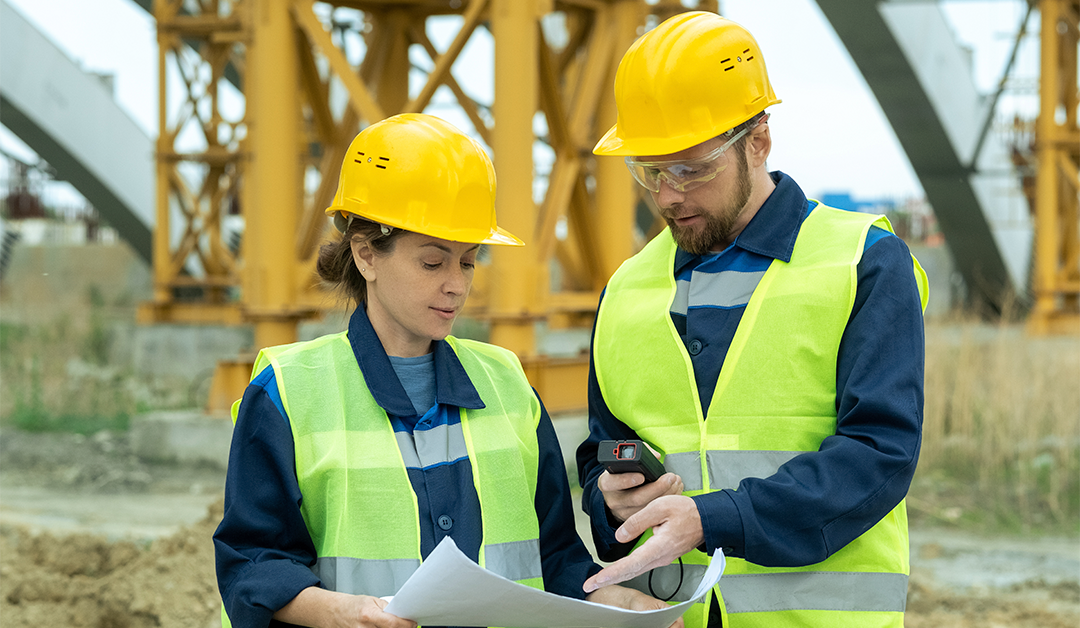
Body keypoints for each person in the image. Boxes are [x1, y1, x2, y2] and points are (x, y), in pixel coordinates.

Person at [213, 113, 681, 628]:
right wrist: (338, 612)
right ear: (366, 255)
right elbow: (252, 563)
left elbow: (553, 559)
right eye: (433, 263)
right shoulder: (287, 392)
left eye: (468, 261)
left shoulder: (508, 385)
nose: (457, 284)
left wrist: (614, 601)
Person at [575, 12, 929, 628]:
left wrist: (713, 519)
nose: (668, 195)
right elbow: (602, 450)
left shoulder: (863, 262)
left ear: (758, 141)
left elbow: (879, 453)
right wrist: (610, 501)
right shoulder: (626, 288)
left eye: (690, 168)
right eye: (650, 171)